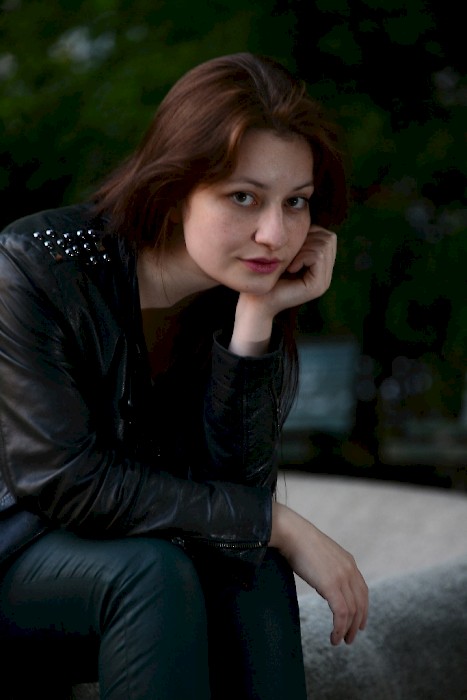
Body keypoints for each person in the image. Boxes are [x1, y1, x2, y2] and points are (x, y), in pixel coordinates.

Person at [0, 52, 368, 699]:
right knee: (155, 570)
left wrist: (254, 324)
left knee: (253, 567)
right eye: (243, 197)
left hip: (131, 565)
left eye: (296, 202)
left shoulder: (236, 293)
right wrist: (279, 523)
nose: (274, 233)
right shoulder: (35, 265)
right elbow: (65, 480)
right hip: (17, 559)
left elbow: (234, 498)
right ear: (174, 189)